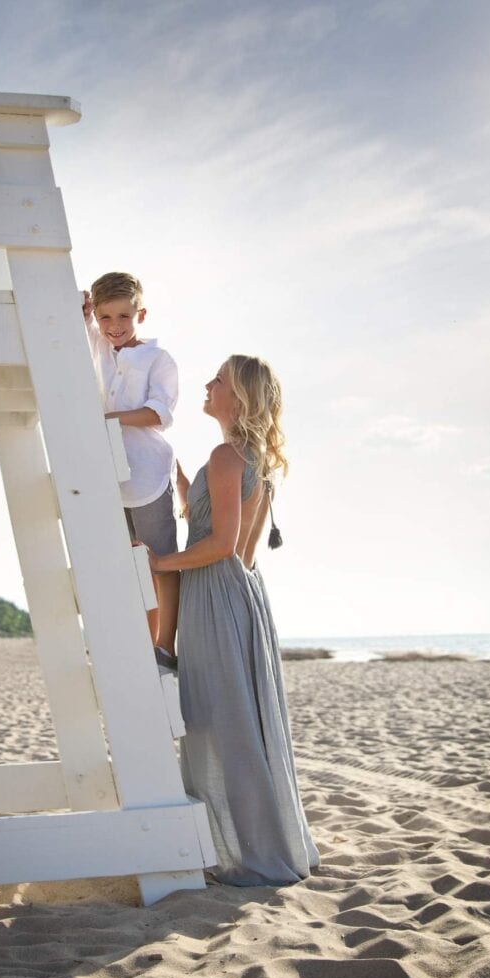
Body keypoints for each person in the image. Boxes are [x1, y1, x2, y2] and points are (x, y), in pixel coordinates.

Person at [148, 354, 320, 885]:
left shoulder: (226, 456)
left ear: (238, 397)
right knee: (240, 723)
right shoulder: (251, 461)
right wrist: (181, 487)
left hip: (216, 597)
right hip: (242, 597)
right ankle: (260, 842)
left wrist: (157, 562)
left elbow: (219, 546)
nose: (207, 383)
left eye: (218, 379)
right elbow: (228, 538)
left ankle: (244, 851)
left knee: (220, 724)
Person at [82, 272, 179, 669]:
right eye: (105, 318)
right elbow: (77, 325)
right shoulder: (99, 348)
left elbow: (160, 414)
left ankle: (165, 645)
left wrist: (109, 417)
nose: (115, 326)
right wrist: (85, 314)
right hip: (109, 480)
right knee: (126, 565)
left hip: (148, 476)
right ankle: (138, 640)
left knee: (161, 561)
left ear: (141, 313)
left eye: (124, 316)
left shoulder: (158, 359)